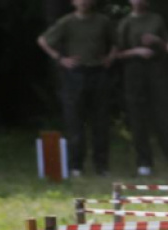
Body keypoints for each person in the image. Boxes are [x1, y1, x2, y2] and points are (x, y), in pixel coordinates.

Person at [37, 0, 118, 178]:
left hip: (98, 73)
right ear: (74, 2)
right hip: (75, 75)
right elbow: (43, 40)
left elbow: (116, 42)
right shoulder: (67, 22)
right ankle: (76, 166)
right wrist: (60, 58)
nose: (84, 2)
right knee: (75, 121)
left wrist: (110, 58)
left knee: (101, 121)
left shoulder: (102, 21)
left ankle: (101, 166)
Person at [116, 0, 168, 178]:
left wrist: (157, 41)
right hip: (134, 71)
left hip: (156, 70)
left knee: (164, 115)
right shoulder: (125, 23)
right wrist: (137, 51)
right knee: (137, 117)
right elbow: (117, 53)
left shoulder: (156, 19)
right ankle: (144, 162)